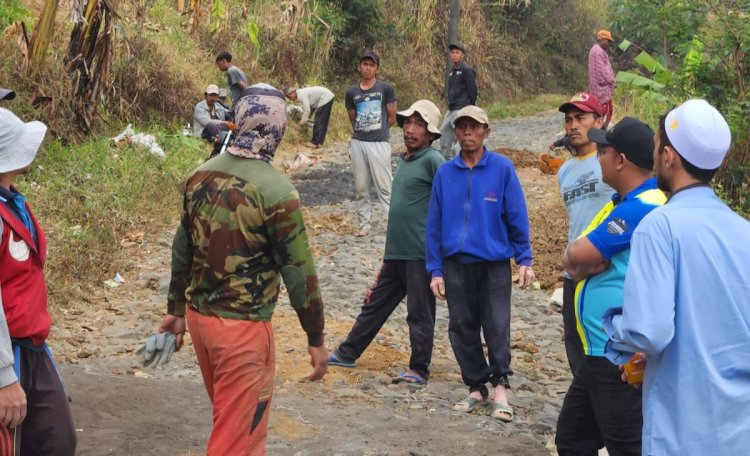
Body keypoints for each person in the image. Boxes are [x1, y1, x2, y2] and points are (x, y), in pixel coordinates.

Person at [157, 85, 328, 455]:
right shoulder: (278, 193)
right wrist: (315, 337)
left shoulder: (198, 176)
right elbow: (300, 275)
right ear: (279, 130)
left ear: (238, 122)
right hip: (243, 330)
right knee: (237, 441)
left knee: (235, 425)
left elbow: (181, 250)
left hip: (201, 322)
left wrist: (175, 312)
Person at [602, 99, 750, 455]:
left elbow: (649, 332)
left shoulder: (659, 227)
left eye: (656, 147)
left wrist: (616, 328)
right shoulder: (743, 232)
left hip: (682, 429)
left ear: (669, 156)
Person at [555, 117, 666, 456]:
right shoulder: (619, 203)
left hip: (617, 355)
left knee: (626, 445)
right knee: (573, 440)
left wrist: (581, 262)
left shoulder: (643, 205)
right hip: (597, 353)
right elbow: (571, 258)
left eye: (603, 151)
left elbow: (579, 252)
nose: (597, 158)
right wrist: (581, 263)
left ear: (621, 161)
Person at [426, 105, 535, 422]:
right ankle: (476, 385)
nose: (467, 133)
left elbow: (516, 214)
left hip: (494, 263)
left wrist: (524, 258)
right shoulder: (446, 173)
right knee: (461, 325)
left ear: (486, 131)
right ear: (456, 132)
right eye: (462, 127)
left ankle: (500, 385)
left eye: (474, 127)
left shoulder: (501, 168)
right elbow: (433, 224)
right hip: (455, 263)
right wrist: (435, 269)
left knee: (497, 324)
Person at [328, 100, 445, 385]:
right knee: (374, 304)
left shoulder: (433, 160)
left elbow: (450, 199)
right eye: (408, 123)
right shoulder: (404, 160)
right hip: (395, 252)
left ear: (431, 134)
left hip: (419, 253)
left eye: (420, 125)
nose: (411, 129)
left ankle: (419, 369)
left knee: (419, 313)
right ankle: (348, 351)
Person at [0, 108, 76, 455]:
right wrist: (5, 377)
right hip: (7, 351)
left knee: (55, 439)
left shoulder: (12, 199)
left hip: (31, 345)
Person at [555, 93, 615, 373]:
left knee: (605, 346)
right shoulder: (564, 171)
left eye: (581, 118)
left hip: (606, 268)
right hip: (573, 271)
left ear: (599, 121)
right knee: (575, 345)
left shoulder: (611, 160)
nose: (573, 125)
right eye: (569, 120)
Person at [345, 50, 397, 237]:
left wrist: (381, 131)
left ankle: (393, 224)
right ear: (359, 67)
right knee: (361, 186)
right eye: (365, 64)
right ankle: (364, 224)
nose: (368, 68)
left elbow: (391, 116)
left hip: (379, 143)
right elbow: (353, 118)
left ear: (376, 68)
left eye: (371, 65)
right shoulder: (352, 92)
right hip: (359, 142)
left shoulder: (385, 89)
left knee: (385, 186)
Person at [439, 43, 477, 159]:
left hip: (462, 107)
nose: (455, 55)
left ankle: (462, 159)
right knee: (444, 130)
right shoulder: (451, 72)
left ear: (462, 55)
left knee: (460, 134)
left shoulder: (467, 70)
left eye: (457, 52)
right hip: (452, 108)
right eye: (453, 52)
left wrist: (470, 108)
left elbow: (473, 90)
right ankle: (444, 158)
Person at [588, 30, 616, 128]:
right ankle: (600, 134)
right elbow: (602, 73)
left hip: (596, 90)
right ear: (602, 39)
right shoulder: (598, 52)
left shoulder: (595, 50)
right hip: (601, 90)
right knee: (605, 113)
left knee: (599, 113)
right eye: (608, 41)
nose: (608, 44)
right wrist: (612, 80)